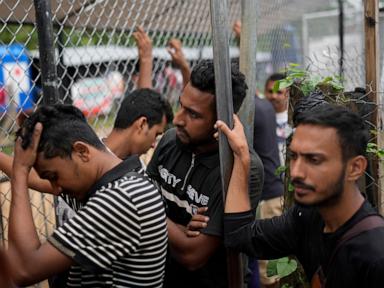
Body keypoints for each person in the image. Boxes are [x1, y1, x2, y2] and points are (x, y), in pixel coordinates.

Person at [217, 104, 384, 287]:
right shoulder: (309, 217)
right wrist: (242, 156)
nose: (296, 172)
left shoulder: (375, 253)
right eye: (294, 156)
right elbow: (240, 236)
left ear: (355, 168)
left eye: (314, 160)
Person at [6, 104, 168, 287]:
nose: (56, 189)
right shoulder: (113, 185)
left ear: (82, 152)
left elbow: (23, 269)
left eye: (53, 177)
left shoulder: (120, 199)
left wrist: (20, 171)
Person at [146, 59, 263, 288]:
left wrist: (145, 211)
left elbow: (193, 256)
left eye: (194, 114)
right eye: (181, 105)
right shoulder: (171, 141)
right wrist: (179, 229)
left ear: (223, 122)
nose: (178, 119)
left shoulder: (237, 167)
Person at [233, 21, 284, 288]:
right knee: (270, 264)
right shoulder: (263, 108)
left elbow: (246, 82)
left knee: (267, 271)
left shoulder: (257, 110)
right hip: (271, 193)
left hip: (267, 197)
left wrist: (243, 42)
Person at [264, 73, 291, 165]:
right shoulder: (259, 117)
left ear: (287, 94)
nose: (274, 96)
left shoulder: (292, 119)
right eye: (270, 91)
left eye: (279, 92)